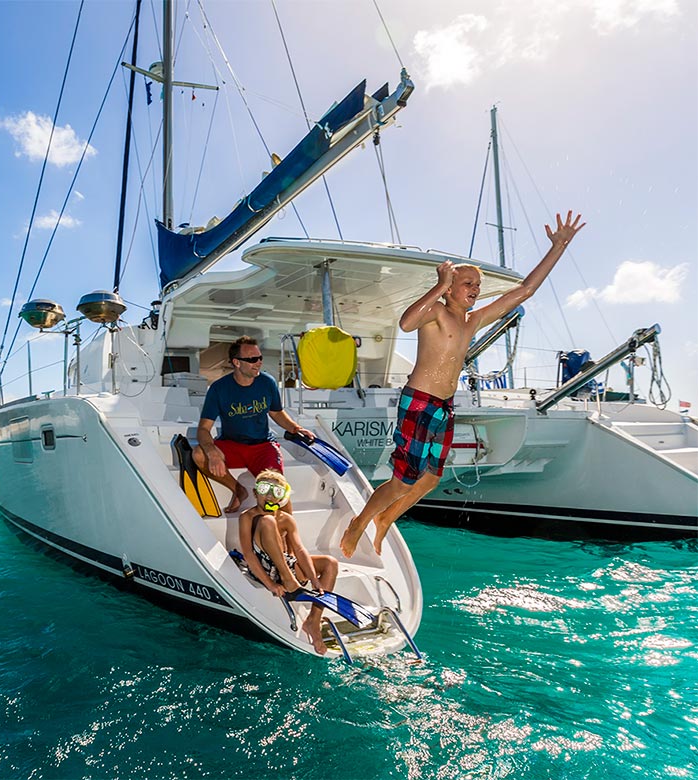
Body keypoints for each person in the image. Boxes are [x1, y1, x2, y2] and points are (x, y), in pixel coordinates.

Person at [340, 211, 586, 557]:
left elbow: (525, 291)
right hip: (420, 401)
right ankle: (359, 523)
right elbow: (407, 322)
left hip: (444, 405)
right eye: (468, 283)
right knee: (403, 480)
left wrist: (558, 247)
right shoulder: (436, 313)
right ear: (451, 288)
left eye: (477, 285)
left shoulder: (472, 321)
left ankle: (385, 521)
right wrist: (438, 286)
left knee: (430, 479)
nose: (476, 289)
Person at [194, 335, 314, 512]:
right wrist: (212, 452)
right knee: (199, 454)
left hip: (263, 445)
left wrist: (295, 428)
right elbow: (204, 428)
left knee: (276, 489)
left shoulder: (267, 382)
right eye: (252, 359)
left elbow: (276, 412)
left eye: (259, 358)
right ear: (236, 362)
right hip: (232, 444)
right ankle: (238, 490)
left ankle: (288, 533)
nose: (258, 363)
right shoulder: (219, 388)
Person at [238, 469, 338, 654]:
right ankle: (288, 578)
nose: (269, 496)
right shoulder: (247, 517)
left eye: (275, 492)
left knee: (330, 563)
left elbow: (300, 550)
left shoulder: (286, 519)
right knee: (267, 520)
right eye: (264, 490)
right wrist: (270, 585)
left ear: (281, 497)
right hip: (265, 568)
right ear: (255, 493)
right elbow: (249, 555)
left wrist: (314, 579)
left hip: (287, 568)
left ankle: (313, 621)